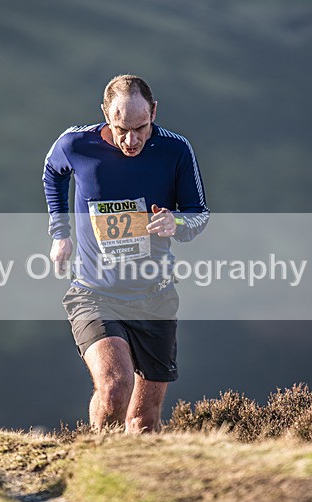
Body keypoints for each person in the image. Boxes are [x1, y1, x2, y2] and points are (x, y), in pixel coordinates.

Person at [43, 74, 209, 433]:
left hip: (155, 296)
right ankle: (97, 460)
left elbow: (199, 215)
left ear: (154, 112)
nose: (131, 140)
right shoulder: (76, 144)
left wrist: (175, 222)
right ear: (105, 114)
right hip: (94, 293)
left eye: (140, 128)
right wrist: (60, 233)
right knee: (115, 389)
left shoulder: (176, 150)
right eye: (121, 129)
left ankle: (130, 469)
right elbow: (53, 172)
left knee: (143, 421)